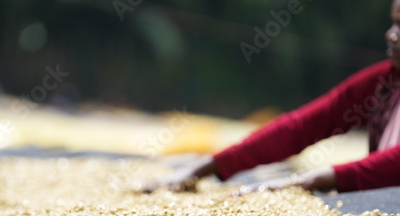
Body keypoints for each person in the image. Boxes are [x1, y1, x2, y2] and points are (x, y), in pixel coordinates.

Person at [145, 0, 400, 195]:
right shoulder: (385, 82)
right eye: (392, 23)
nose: (390, 35)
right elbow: (302, 127)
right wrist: (204, 168)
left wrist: (314, 180)